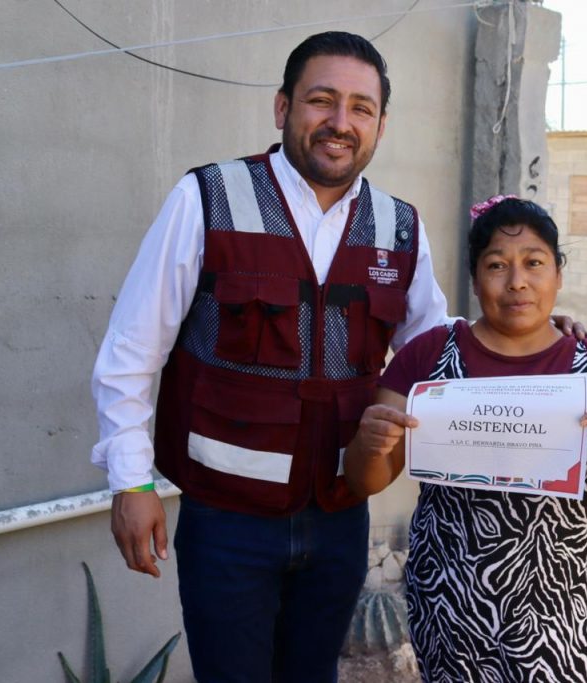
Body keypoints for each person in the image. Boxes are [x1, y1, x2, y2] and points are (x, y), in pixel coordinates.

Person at [90, 32, 453, 682]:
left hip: (340, 519)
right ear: (283, 107)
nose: (340, 122)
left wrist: (535, 343)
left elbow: (437, 354)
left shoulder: (399, 227)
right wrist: (131, 482)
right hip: (226, 522)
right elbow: (131, 350)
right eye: (321, 100)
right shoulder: (209, 198)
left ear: (381, 125)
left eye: (361, 108)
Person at [343, 196, 587, 682]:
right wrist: (371, 444)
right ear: (474, 279)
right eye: (496, 265)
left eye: (534, 263)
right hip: (451, 608)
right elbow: (364, 481)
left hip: (559, 614)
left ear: (558, 274)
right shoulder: (428, 357)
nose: (517, 281)